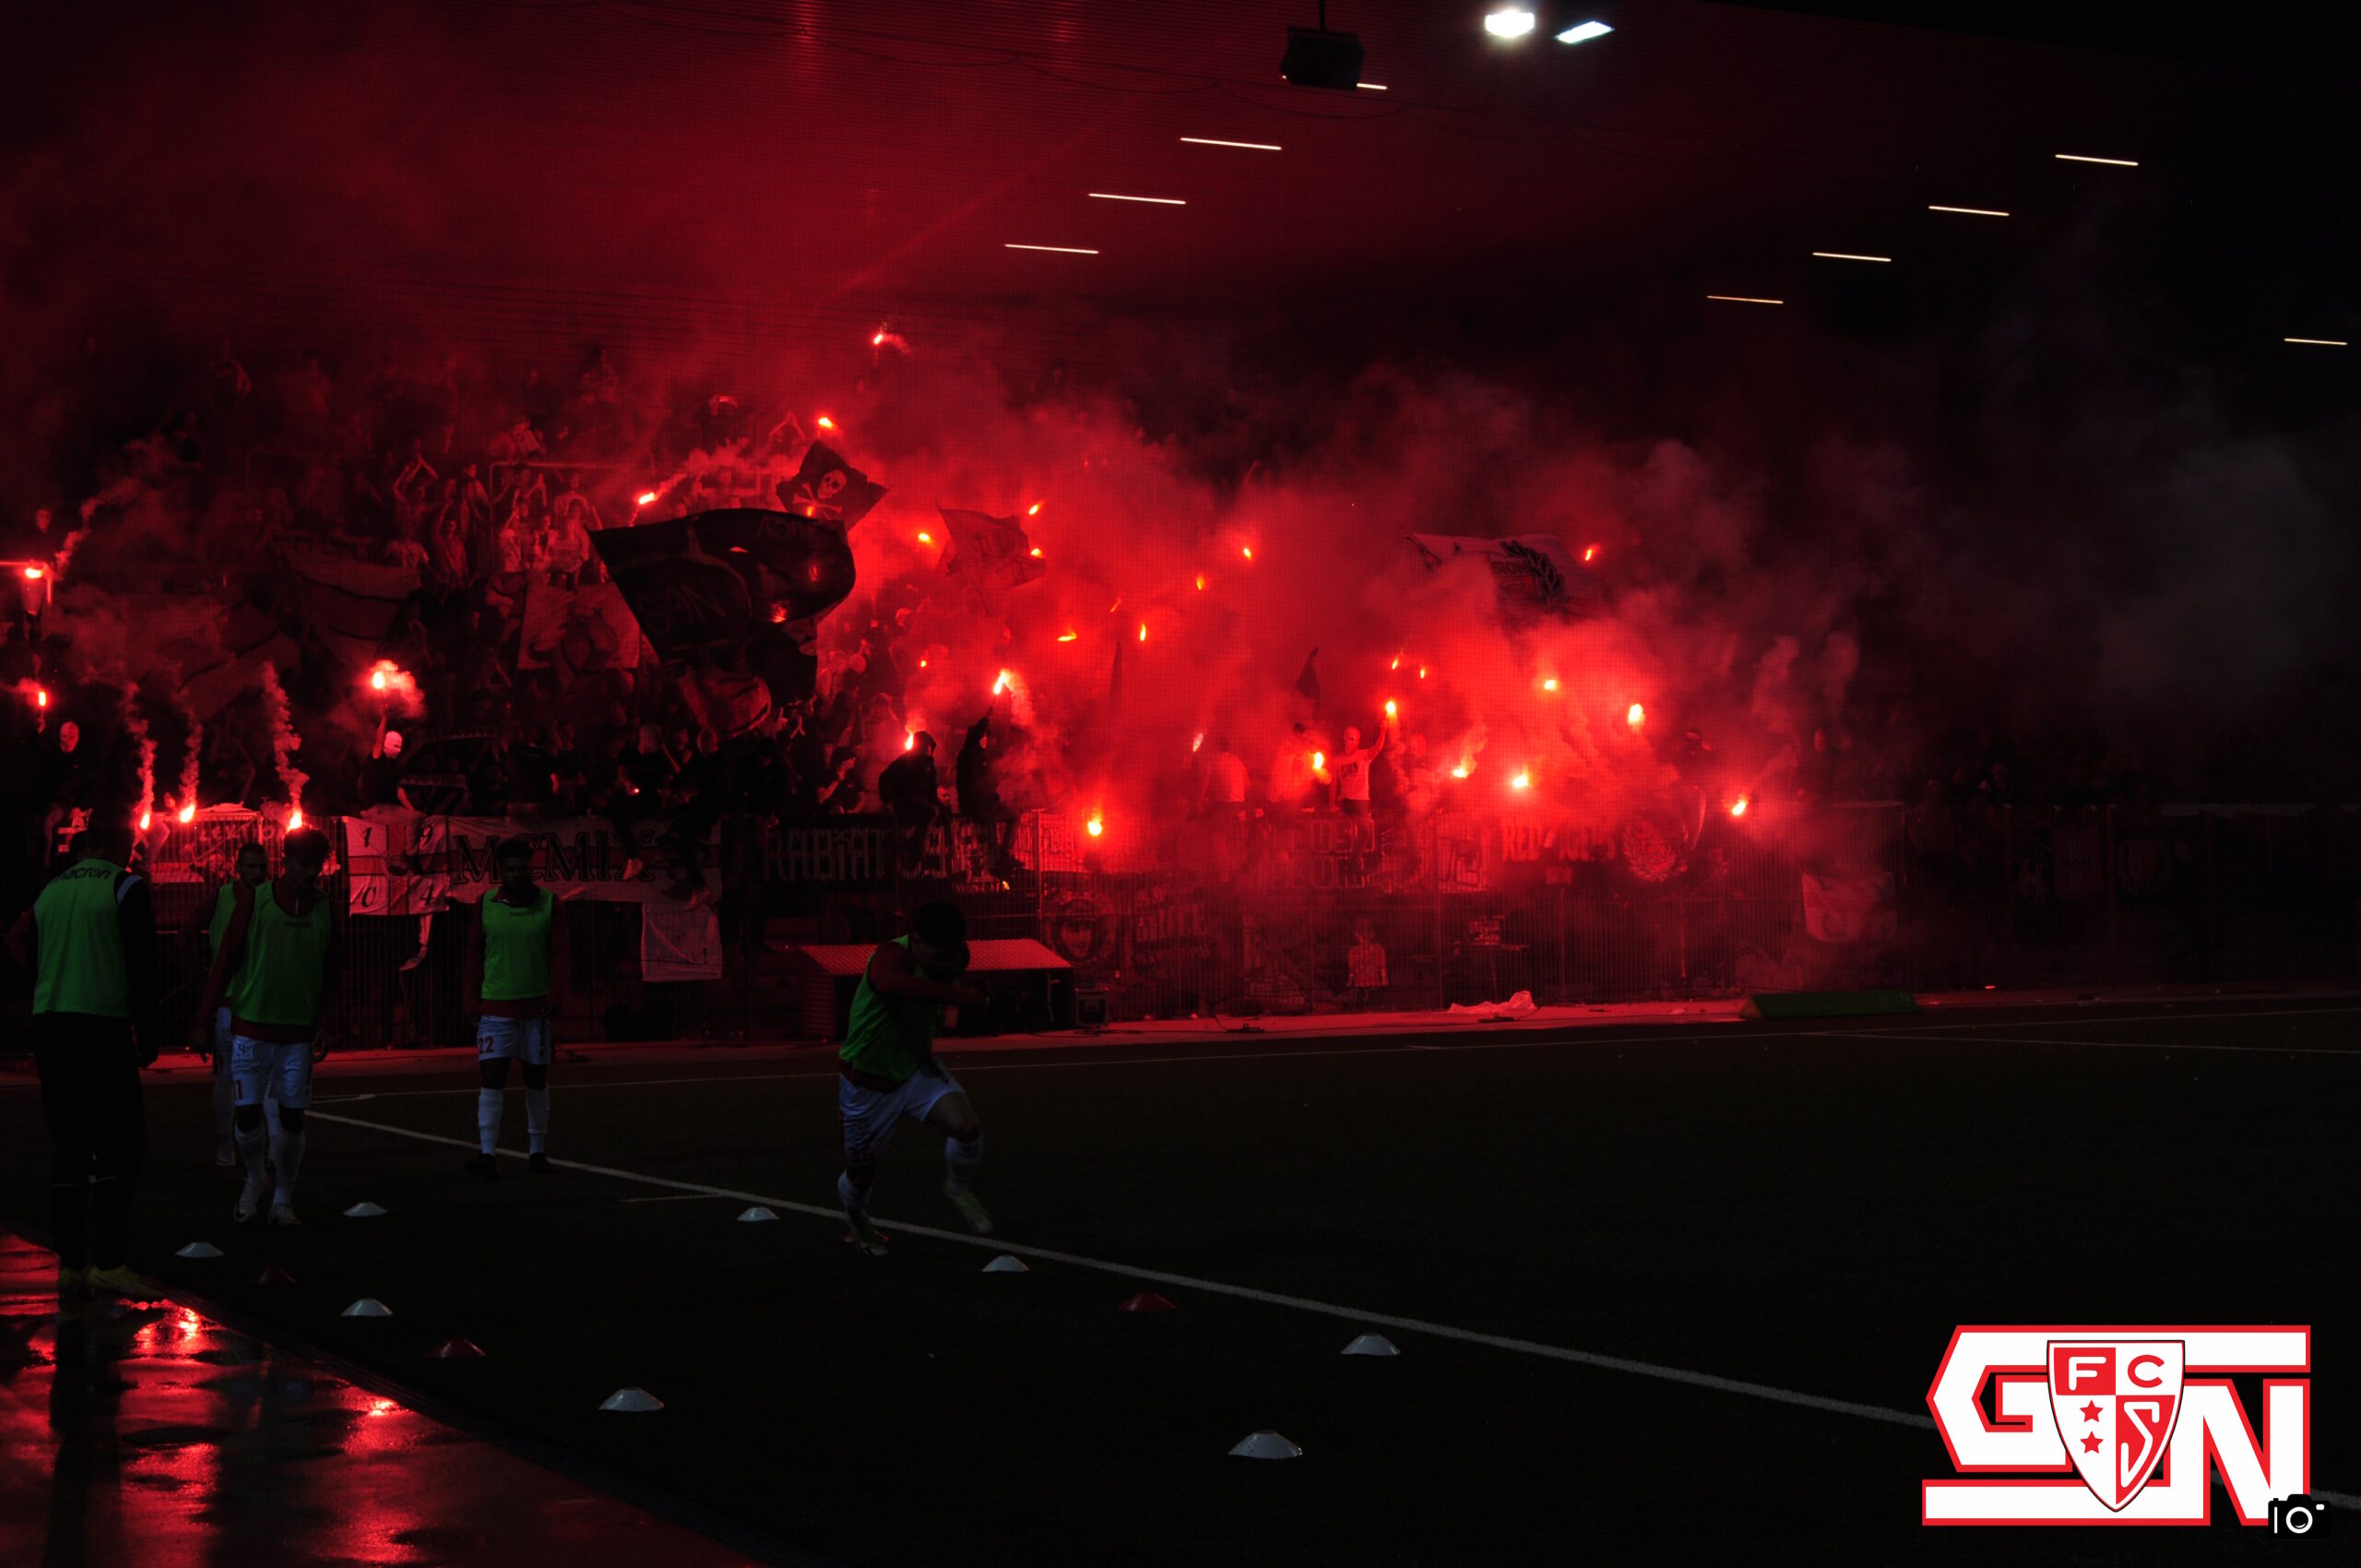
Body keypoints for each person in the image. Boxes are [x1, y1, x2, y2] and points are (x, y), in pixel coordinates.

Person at [6, 823, 161, 1299]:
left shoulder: (52, 889)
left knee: (70, 1146)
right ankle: (109, 1261)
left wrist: (39, 998)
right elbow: (142, 964)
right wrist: (148, 1033)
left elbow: (26, 949)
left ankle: (71, 1262)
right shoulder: (126, 886)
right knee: (122, 1143)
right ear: (122, 846)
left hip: (51, 1023)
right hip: (100, 1023)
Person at [196, 826, 337, 1226]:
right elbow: (226, 959)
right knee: (247, 1114)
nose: (312, 872)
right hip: (251, 1029)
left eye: (317, 865)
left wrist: (325, 1022)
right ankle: (255, 1178)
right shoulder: (255, 901)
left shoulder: (325, 907)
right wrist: (204, 1018)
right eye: (305, 864)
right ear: (286, 861)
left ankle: (282, 1199)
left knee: (292, 1117)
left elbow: (333, 968)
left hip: (297, 1034)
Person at [836, 902, 993, 1253]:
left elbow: (939, 996)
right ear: (916, 941)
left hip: (915, 1068)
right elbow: (892, 985)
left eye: (950, 955)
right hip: (868, 1081)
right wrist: (962, 998)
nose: (945, 963)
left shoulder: (956, 957)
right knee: (860, 1175)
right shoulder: (890, 957)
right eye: (938, 956)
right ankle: (857, 1219)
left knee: (967, 1128)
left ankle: (957, 1187)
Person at [462, 837, 563, 1180]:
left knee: (536, 1078)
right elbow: (474, 952)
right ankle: (487, 1154)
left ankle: (537, 1151)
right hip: (496, 1006)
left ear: (531, 868)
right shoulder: (486, 903)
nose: (517, 874)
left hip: (536, 1008)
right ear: (500, 871)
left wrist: (557, 994)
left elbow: (561, 952)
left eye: (522, 868)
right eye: (511, 869)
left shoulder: (550, 903)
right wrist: (470, 1000)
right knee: (492, 1076)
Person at [198, 841, 274, 1167]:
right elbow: (188, 933)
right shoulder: (226, 897)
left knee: (254, 1075)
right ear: (238, 868)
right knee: (234, 1075)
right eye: (251, 867)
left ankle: (241, 1146)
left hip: (256, 1000)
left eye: (262, 867)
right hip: (234, 1001)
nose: (257, 873)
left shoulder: (266, 898)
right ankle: (228, 1143)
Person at [1331, 721, 1388, 817]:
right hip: (1344, 801)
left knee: (1362, 826)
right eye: (1352, 739)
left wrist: (1383, 731)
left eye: (1358, 740)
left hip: (1361, 801)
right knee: (1344, 827)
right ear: (1345, 738)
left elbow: (1377, 748)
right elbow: (1334, 783)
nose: (1355, 743)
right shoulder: (1337, 760)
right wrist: (1332, 804)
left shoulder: (1363, 755)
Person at [1199, 736, 1249, 815]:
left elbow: (1204, 785)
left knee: (1205, 816)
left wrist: (1198, 803)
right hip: (1239, 804)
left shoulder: (1212, 761)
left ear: (1216, 747)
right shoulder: (1237, 761)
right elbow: (1247, 783)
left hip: (1223, 804)